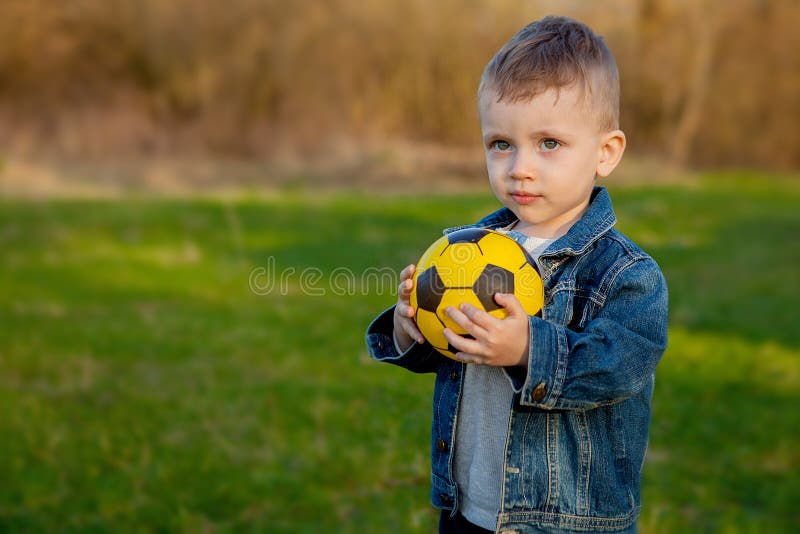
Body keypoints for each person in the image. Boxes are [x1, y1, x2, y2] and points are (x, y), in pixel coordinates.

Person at [365, 15, 668, 534]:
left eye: (548, 143)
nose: (519, 167)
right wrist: (409, 328)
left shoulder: (625, 274)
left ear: (606, 152)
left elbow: (621, 366)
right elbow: (449, 354)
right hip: (467, 510)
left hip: (565, 522)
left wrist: (532, 350)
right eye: (501, 143)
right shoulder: (463, 256)